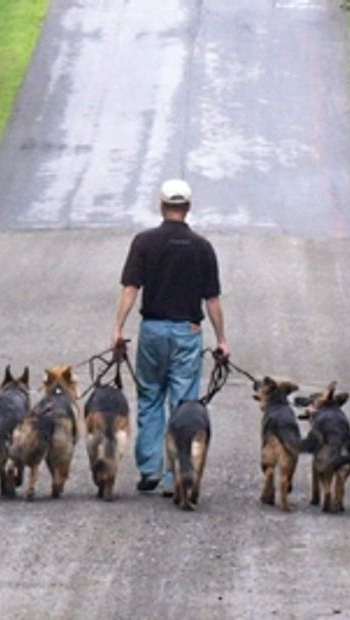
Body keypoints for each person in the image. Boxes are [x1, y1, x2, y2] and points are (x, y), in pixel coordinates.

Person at [112, 179, 230, 495]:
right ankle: (173, 475)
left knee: (150, 396)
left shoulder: (144, 242)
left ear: (161, 206)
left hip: (152, 329)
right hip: (187, 331)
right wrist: (221, 340)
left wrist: (119, 330)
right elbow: (212, 300)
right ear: (188, 208)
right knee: (183, 404)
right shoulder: (202, 247)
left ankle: (149, 469)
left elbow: (130, 289)